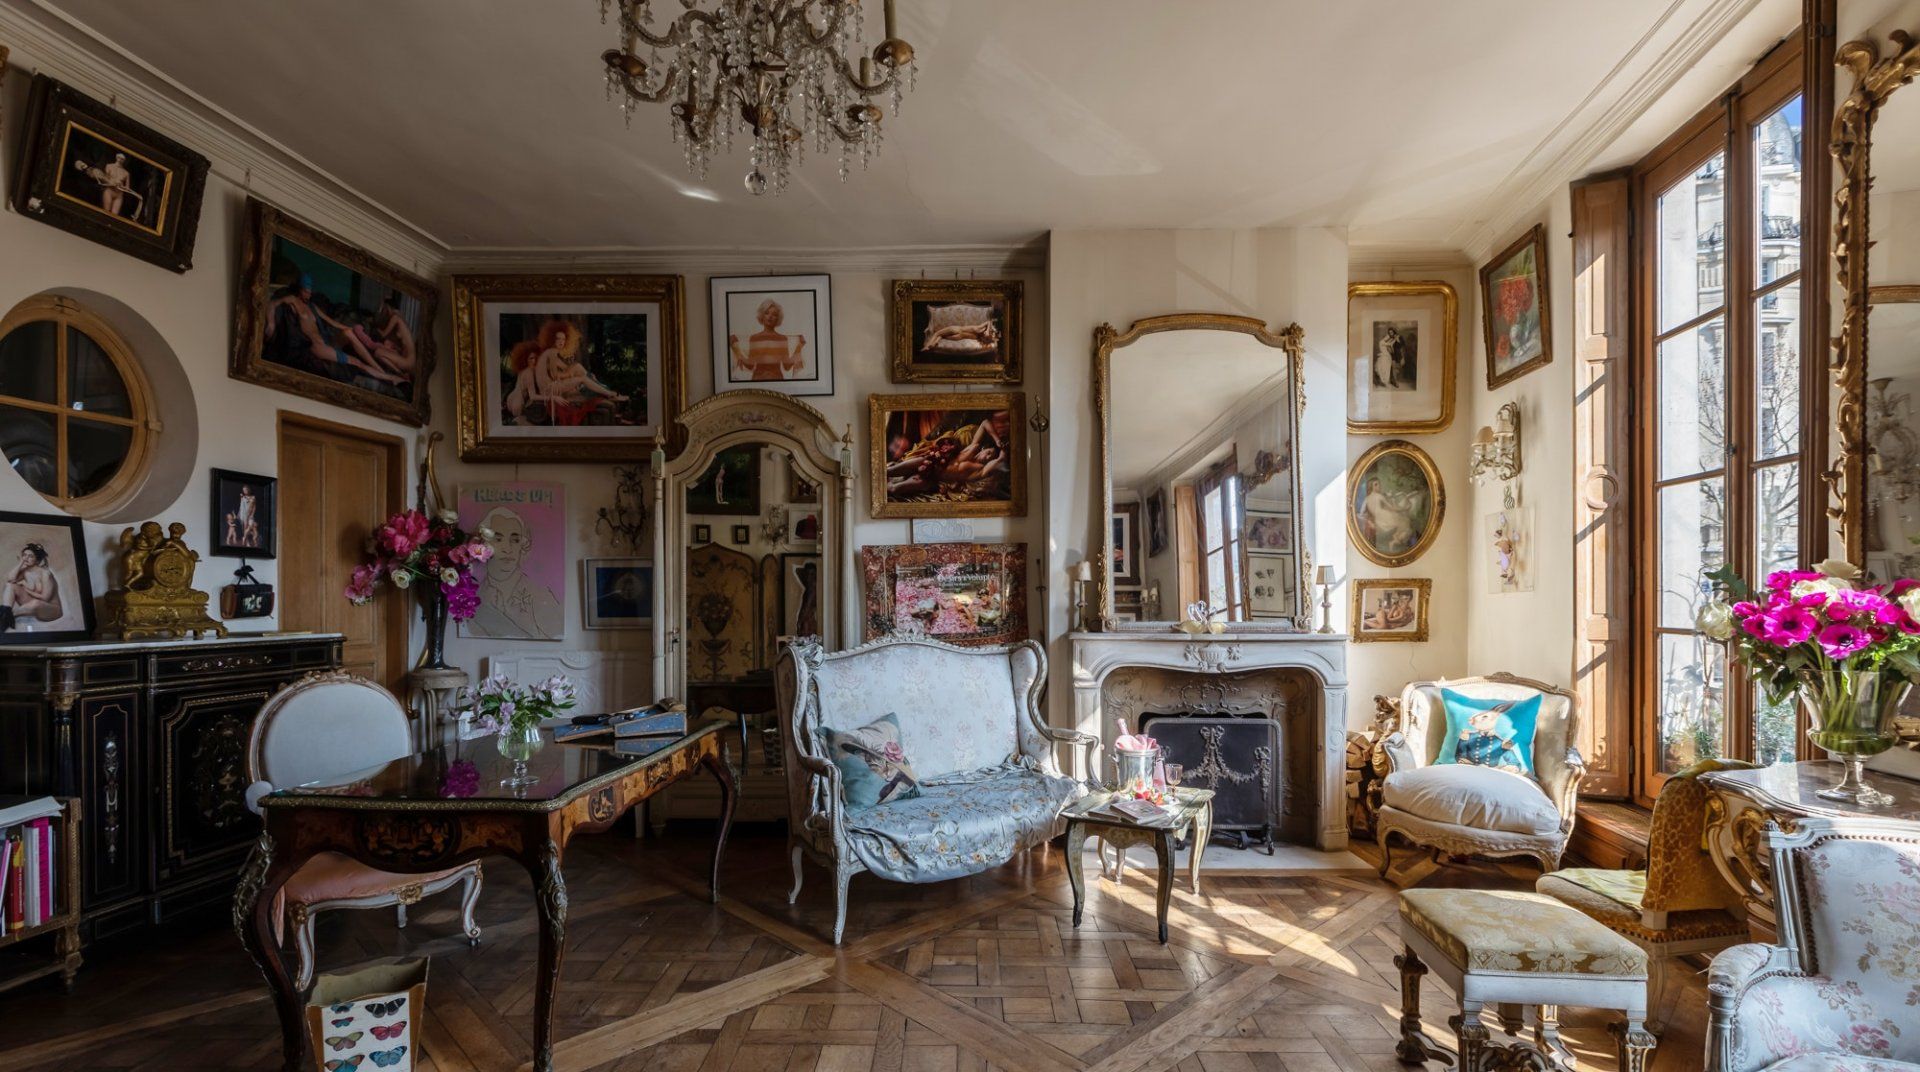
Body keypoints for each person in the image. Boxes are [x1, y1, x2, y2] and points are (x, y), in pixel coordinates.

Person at [265, 275, 405, 384]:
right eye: (306, 291)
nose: (308, 294)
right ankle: (389, 378)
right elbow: (272, 304)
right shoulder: (293, 300)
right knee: (357, 363)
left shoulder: (312, 306)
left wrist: (349, 329)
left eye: (310, 291)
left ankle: (380, 370)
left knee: (348, 332)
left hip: (325, 340)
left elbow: (330, 321)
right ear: (300, 289)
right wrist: (271, 323)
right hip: (317, 346)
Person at [462, 507, 563, 639]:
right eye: (498, 539)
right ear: (483, 544)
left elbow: (558, 637)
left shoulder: (540, 596)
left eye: (515, 540)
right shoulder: (474, 598)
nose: (508, 549)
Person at [728, 299, 807, 380]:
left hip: (777, 380)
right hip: (758, 379)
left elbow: (787, 366)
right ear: (762, 315)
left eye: (774, 314)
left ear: (778, 318)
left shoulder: (782, 339)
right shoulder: (755, 338)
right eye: (767, 313)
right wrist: (736, 347)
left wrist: (799, 347)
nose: (770, 316)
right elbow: (750, 365)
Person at [1, 543, 64, 633]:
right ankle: (6, 612)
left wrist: (26, 589)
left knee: (36, 603)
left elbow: (45, 598)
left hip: (51, 609)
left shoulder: (45, 574)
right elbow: (10, 579)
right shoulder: (25, 571)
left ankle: (6, 616)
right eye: (24, 555)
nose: (26, 558)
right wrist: (20, 563)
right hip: (33, 605)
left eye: (30, 556)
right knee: (10, 585)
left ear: (37, 560)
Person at [73, 153, 143, 219]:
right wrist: (111, 182)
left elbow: (127, 188)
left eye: (122, 159)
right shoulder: (109, 166)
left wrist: (124, 188)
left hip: (119, 194)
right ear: (116, 158)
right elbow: (104, 178)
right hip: (109, 191)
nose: (120, 160)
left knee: (114, 216)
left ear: (124, 160)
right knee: (106, 213)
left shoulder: (126, 173)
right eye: (119, 158)